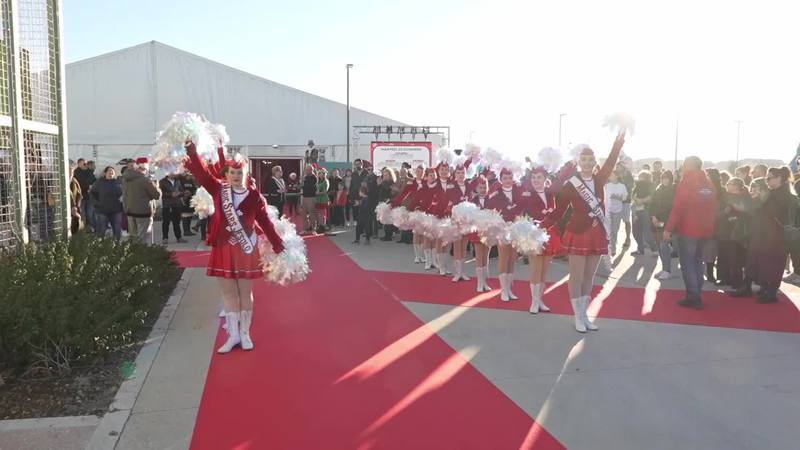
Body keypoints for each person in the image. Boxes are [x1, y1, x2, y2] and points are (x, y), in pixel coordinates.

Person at [184, 140, 284, 353]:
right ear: (226, 175)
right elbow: (202, 174)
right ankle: (233, 335)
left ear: (245, 174)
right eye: (232, 173)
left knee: (245, 294)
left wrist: (277, 243)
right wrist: (192, 151)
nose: (236, 176)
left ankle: (245, 334)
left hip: (246, 249)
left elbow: (265, 222)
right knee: (229, 295)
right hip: (223, 249)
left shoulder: (254, 195)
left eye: (240, 173)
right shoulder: (218, 190)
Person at [540, 132, 626, 332]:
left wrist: (618, 141)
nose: (587, 163)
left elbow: (611, 160)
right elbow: (558, 212)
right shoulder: (571, 184)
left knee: (589, 277)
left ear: (595, 162)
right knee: (576, 276)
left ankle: (585, 314)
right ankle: (577, 316)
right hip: (578, 233)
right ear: (578, 162)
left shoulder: (600, 179)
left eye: (590, 159)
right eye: (584, 159)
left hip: (596, 233)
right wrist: (540, 225)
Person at [733, 168, 795, 303]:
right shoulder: (772, 194)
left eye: (770, 178)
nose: (767, 180)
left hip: (775, 237)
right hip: (761, 234)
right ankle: (750, 287)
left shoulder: (785, 196)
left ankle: (770, 292)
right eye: (767, 178)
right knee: (754, 261)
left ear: (779, 178)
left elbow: (775, 214)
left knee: (772, 265)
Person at [663, 156, 717, 309]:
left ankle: (693, 296)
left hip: (688, 229)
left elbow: (678, 207)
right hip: (704, 229)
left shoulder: (686, 182)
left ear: (687, 166)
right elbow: (713, 207)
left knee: (688, 264)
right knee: (698, 262)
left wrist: (668, 228)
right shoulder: (709, 183)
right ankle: (696, 292)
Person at [521, 166, 565, 313]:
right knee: (535, 270)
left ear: (545, 179)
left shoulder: (550, 192)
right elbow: (520, 211)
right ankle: (534, 302)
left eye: (539, 177)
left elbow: (561, 179)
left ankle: (540, 300)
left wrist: (571, 164)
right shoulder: (527, 194)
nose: (536, 180)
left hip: (551, 234)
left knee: (544, 271)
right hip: (534, 234)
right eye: (533, 177)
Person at [486, 167, 524, 301]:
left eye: (510, 178)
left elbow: (523, 207)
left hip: (516, 228)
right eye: (505, 178)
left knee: (512, 259)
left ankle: (509, 289)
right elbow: (489, 209)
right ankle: (503, 290)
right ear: (500, 180)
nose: (508, 180)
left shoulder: (519, 191)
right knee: (503, 258)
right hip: (502, 229)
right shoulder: (496, 194)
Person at [715, 177, 750, 289]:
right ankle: (723, 278)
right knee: (722, 256)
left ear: (737, 186)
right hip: (723, 231)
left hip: (738, 233)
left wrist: (736, 217)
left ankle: (736, 280)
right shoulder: (724, 197)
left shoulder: (745, 197)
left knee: (735, 258)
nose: (728, 185)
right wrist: (725, 212)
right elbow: (717, 214)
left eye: (731, 183)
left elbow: (747, 213)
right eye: (728, 183)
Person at [392, 164, 426, 263]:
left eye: (422, 171)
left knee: (422, 233)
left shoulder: (426, 183)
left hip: (424, 210)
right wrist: (393, 204)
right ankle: (417, 256)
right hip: (413, 209)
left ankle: (422, 256)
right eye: (418, 171)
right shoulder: (411, 182)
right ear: (415, 172)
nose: (420, 173)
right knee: (415, 233)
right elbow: (403, 195)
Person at [122, 158, 161, 243]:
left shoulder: (125, 178)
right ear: (143, 168)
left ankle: (133, 251)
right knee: (144, 238)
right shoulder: (145, 180)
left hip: (130, 211)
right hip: (143, 212)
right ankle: (143, 251)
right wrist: (156, 186)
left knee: (134, 236)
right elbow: (157, 195)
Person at [469, 176, 495, 292]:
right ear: (476, 188)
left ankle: (484, 282)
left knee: (486, 256)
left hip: (488, 231)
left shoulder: (491, 199)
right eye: (480, 187)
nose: (483, 190)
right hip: (477, 232)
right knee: (479, 256)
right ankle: (479, 283)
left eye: (485, 187)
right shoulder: (473, 201)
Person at [650, 170, 676, 279]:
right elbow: (653, 204)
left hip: (667, 222)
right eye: (663, 177)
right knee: (660, 246)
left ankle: (667, 270)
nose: (665, 180)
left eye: (667, 178)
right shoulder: (658, 189)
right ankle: (664, 268)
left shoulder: (673, 190)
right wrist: (653, 216)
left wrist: (658, 216)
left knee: (664, 246)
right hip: (656, 221)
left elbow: (671, 207)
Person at [90, 166, 124, 239]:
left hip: (116, 209)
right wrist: (96, 203)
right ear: (105, 173)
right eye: (109, 171)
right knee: (102, 229)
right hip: (102, 210)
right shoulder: (99, 182)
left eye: (112, 171)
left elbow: (124, 193)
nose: (111, 172)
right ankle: (101, 243)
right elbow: (92, 193)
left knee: (117, 229)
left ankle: (117, 243)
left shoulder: (118, 182)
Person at [630, 170, 656, 256]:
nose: (639, 179)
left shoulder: (651, 185)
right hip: (636, 211)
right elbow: (632, 195)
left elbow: (652, 197)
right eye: (639, 177)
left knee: (647, 234)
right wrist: (635, 199)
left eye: (641, 177)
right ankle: (640, 250)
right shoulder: (637, 185)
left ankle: (654, 249)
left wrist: (642, 200)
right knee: (635, 232)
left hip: (646, 211)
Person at [604, 170, 628, 257]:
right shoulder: (607, 185)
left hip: (618, 210)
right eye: (610, 175)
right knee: (608, 229)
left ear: (617, 176)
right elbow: (603, 196)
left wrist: (618, 197)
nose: (610, 176)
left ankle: (613, 247)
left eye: (612, 175)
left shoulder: (622, 186)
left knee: (615, 230)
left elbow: (625, 198)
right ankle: (609, 247)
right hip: (608, 210)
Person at [159, 173, 187, 244]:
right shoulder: (162, 181)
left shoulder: (177, 181)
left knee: (177, 222)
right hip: (167, 205)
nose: (174, 174)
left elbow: (182, 191)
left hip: (176, 204)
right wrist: (170, 194)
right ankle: (165, 238)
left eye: (174, 172)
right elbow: (160, 193)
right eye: (172, 172)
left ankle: (179, 237)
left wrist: (180, 193)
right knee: (166, 222)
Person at [74, 158, 96, 232]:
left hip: (89, 196)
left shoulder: (89, 172)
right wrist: (88, 185)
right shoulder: (76, 172)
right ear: (79, 164)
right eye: (84, 163)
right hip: (81, 197)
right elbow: (81, 182)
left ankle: (90, 229)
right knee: (82, 214)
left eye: (86, 163)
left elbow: (93, 180)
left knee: (90, 214)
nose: (85, 165)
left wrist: (89, 171)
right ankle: (82, 230)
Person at [616, 161, 635, 249]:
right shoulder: (615, 174)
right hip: (616, 202)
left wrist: (622, 179)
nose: (617, 168)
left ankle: (628, 238)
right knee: (615, 222)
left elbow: (630, 187)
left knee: (626, 220)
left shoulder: (629, 175)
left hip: (626, 202)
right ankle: (614, 239)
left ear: (623, 167)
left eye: (619, 166)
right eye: (617, 166)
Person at [378, 168, 399, 241]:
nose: (384, 176)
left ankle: (388, 236)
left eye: (386, 174)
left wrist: (388, 200)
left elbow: (393, 192)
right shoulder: (385, 182)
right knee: (386, 220)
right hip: (384, 202)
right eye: (384, 174)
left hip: (387, 202)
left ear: (390, 175)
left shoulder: (389, 182)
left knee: (388, 220)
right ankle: (388, 235)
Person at [301, 165, 318, 234]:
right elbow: (302, 186)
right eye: (306, 170)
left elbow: (309, 186)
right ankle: (305, 229)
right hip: (305, 197)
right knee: (304, 214)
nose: (307, 171)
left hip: (311, 197)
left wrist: (303, 184)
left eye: (308, 169)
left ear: (311, 170)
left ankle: (313, 229)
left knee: (312, 214)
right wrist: (302, 182)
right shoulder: (305, 177)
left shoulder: (314, 177)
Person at [180, 172, 197, 237]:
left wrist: (191, 193)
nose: (189, 176)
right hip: (183, 200)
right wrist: (184, 193)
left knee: (189, 216)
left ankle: (188, 230)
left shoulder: (191, 181)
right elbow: (178, 189)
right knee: (185, 216)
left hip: (190, 200)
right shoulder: (180, 180)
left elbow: (194, 189)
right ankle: (185, 231)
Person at [68, 161, 83, 234]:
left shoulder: (74, 181)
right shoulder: (61, 182)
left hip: (75, 209)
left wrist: (77, 206)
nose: (70, 174)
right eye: (69, 172)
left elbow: (79, 195)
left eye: (72, 172)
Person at [315, 167, 330, 233]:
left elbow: (324, 191)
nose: (320, 175)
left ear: (324, 174)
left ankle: (323, 226)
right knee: (318, 213)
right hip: (317, 199)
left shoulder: (326, 181)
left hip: (323, 199)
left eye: (322, 173)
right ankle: (320, 226)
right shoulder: (318, 181)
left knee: (322, 213)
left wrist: (317, 193)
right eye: (319, 173)